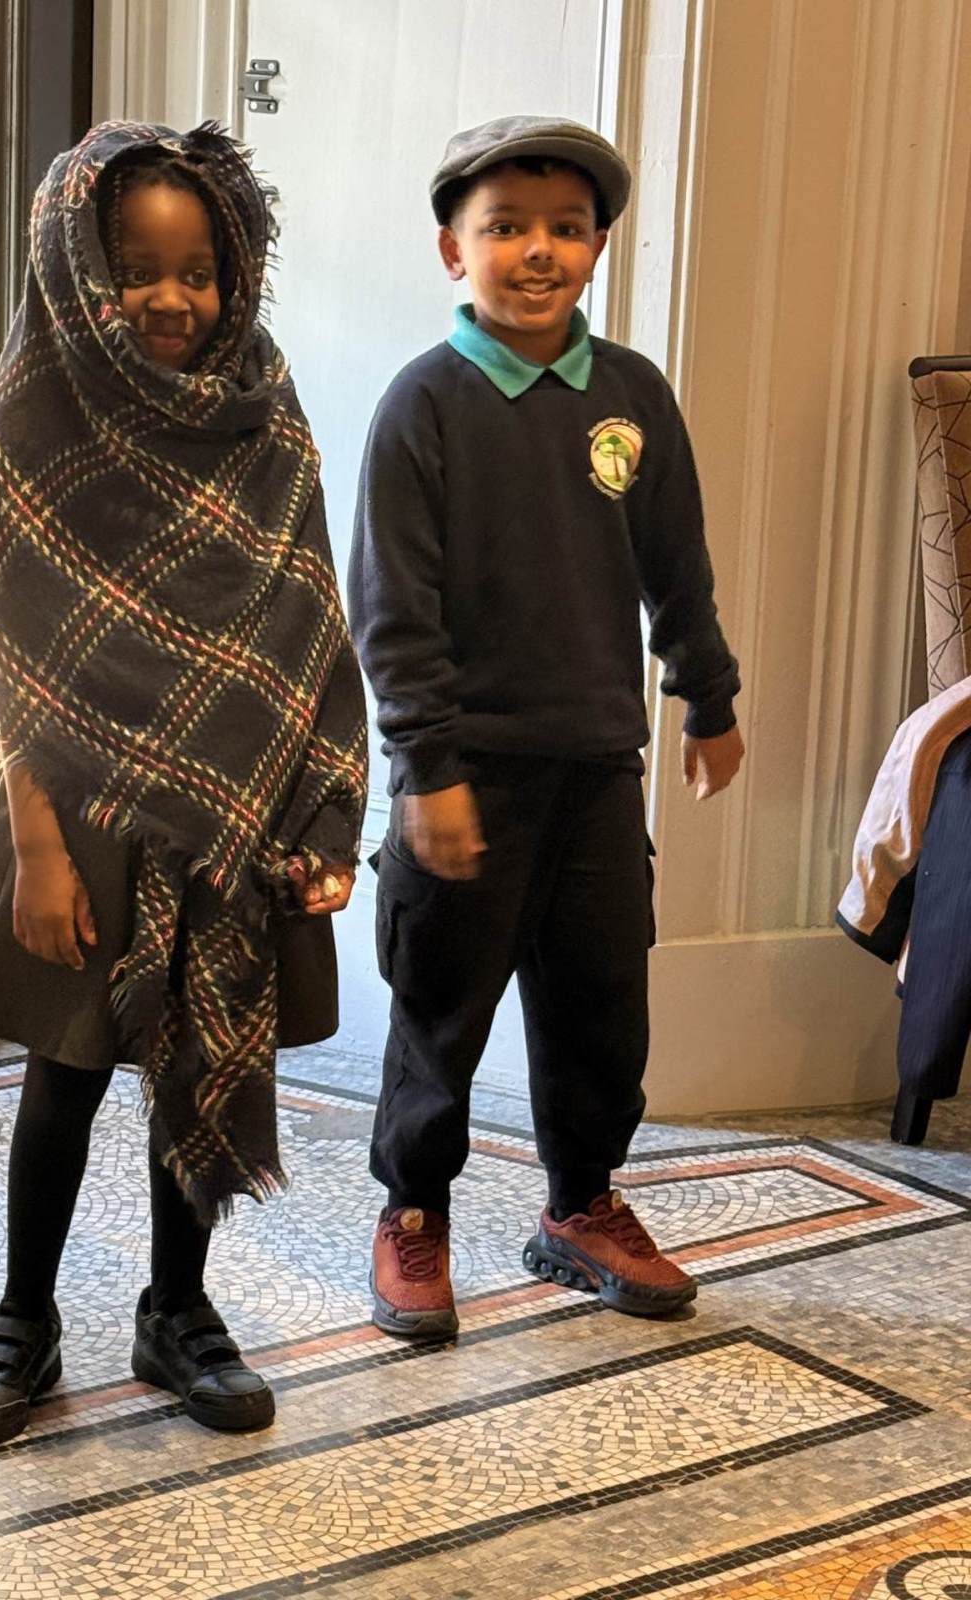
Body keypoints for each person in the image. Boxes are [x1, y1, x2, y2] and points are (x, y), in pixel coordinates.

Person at [0, 120, 367, 1444]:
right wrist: (37, 846)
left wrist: (325, 811)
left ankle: (177, 1310)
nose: (172, 298)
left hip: (237, 808)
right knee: (65, 1070)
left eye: (200, 271)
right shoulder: (37, 409)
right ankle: (22, 1317)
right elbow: (14, 648)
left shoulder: (266, 410)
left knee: (207, 1048)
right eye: (138, 269)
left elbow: (311, 621)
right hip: (78, 810)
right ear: (79, 267)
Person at [349, 116, 743, 1339]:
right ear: (452, 250)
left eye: (566, 229)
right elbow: (392, 609)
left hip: (598, 768)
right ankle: (414, 1211)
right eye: (506, 227)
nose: (538, 250)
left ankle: (581, 1202)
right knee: (442, 1005)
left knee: (600, 1004)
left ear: (598, 247)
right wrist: (425, 766)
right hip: (465, 773)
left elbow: (675, 562)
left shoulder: (631, 395)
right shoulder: (423, 404)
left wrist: (708, 695)